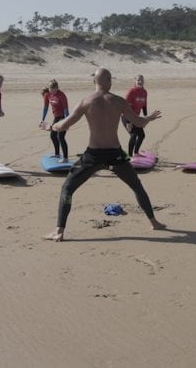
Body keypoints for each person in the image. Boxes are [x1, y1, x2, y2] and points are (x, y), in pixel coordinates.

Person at [43, 68, 166, 242]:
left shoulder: (86, 101)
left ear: (94, 82)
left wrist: (50, 127)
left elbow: (63, 125)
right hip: (116, 154)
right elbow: (138, 122)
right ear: (110, 82)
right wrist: (149, 118)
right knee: (137, 186)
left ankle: (59, 231)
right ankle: (154, 222)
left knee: (68, 188)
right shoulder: (118, 101)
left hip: (93, 155)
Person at [39, 79, 70, 162]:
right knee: (53, 136)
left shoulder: (61, 95)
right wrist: (42, 119)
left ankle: (65, 158)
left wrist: (67, 122)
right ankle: (57, 154)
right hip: (56, 118)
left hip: (63, 117)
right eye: (50, 89)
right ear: (48, 88)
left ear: (57, 88)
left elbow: (66, 109)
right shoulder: (47, 95)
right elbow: (45, 107)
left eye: (54, 89)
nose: (52, 91)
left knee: (61, 137)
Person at [123, 74, 148, 157]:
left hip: (135, 117)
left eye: (141, 80)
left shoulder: (144, 92)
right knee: (133, 136)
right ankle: (129, 156)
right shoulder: (131, 92)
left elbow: (144, 106)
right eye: (138, 80)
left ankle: (136, 153)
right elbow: (125, 108)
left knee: (141, 135)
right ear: (135, 81)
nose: (140, 82)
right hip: (126, 117)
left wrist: (145, 119)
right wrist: (128, 122)